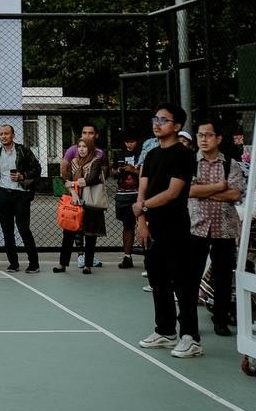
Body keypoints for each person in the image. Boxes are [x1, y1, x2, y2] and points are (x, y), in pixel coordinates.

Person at [136, 103, 200, 358]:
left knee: (182, 282)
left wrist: (143, 206)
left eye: (163, 119)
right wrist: (142, 220)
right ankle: (165, 331)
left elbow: (173, 193)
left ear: (177, 126)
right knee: (157, 278)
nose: (157, 122)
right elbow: (143, 186)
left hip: (177, 226)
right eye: (155, 117)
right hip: (155, 228)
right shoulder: (151, 155)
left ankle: (190, 337)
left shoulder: (183, 155)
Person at [187, 118, 244, 337]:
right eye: (200, 135)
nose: (203, 139)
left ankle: (221, 318)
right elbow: (189, 191)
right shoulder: (191, 162)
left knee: (222, 275)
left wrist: (205, 190)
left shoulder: (231, 163)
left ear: (218, 138)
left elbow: (235, 193)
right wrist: (220, 187)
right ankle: (190, 319)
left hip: (225, 227)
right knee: (192, 274)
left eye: (208, 135)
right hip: (197, 227)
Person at [0, 124, 42, 273]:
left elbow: (37, 168)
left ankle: (34, 263)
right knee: (7, 230)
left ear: (13, 135)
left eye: (6, 133)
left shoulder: (23, 151)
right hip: (3, 194)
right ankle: (13, 263)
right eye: (1, 134)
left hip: (21, 194)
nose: (3, 136)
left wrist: (22, 176)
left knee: (23, 228)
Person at [55, 139, 106, 274]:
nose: (82, 149)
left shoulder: (95, 161)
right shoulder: (73, 162)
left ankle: (87, 265)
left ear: (90, 148)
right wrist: (73, 192)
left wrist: (74, 183)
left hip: (90, 202)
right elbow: (66, 180)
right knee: (68, 233)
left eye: (85, 147)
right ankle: (62, 264)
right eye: (79, 147)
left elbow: (93, 179)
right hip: (75, 202)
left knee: (89, 234)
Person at [113, 134, 143, 269]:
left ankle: (149, 258)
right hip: (123, 195)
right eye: (127, 141)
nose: (129, 144)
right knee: (127, 225)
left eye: (132, 141)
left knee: (145, 225)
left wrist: (134, 170)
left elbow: (148, 173)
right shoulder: (120, 154)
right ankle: (127, 256)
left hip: (139, 194)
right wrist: (119, 170)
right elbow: (112, 172)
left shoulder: (144, 153)